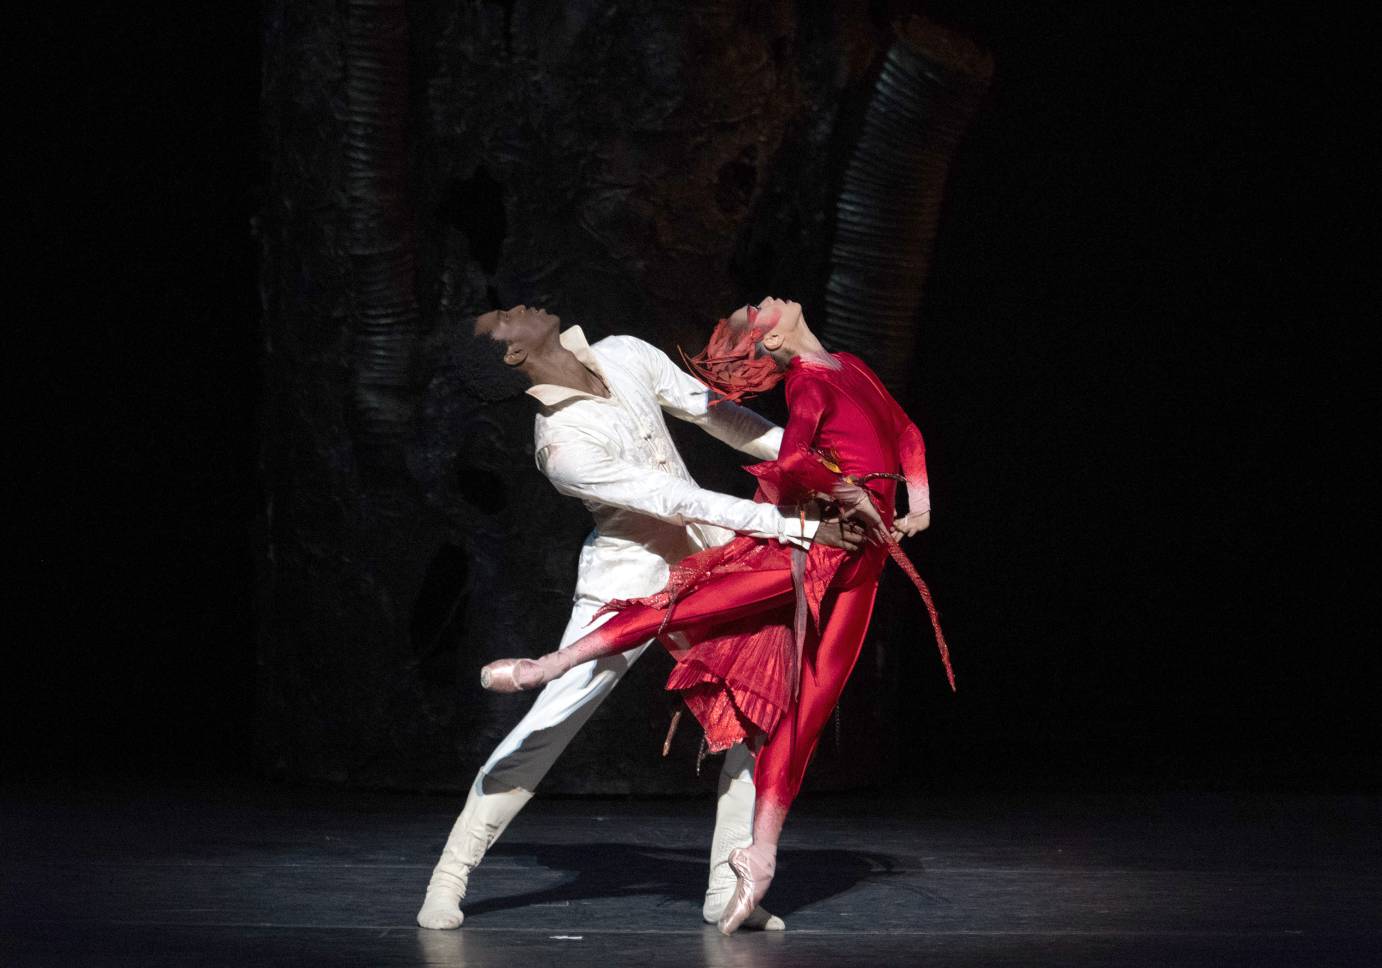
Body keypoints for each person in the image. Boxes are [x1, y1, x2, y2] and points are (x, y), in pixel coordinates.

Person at [480, 297, 950, 934]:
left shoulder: (844, 364)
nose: (762, 303)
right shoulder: (808, 384)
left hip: (861, 559)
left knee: (804, 710)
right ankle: (550, 665)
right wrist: (837, 496)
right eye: (756, 312)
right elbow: (787, 463)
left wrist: (915, 505)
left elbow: (906, 431)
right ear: (775, 344)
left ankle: (757, 858)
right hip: (790, 545)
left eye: (753, 308)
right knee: (683, 605)